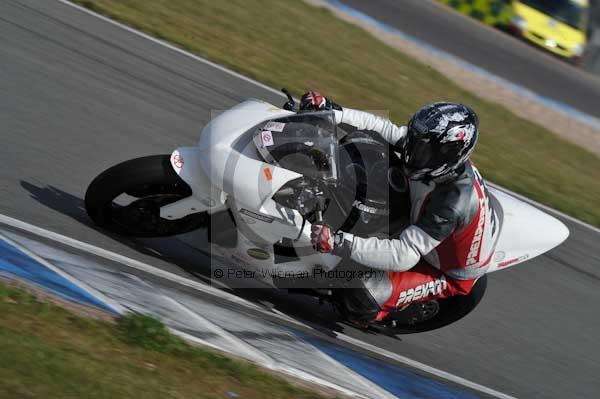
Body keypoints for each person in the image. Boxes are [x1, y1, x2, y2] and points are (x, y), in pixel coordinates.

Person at [300, 91, 499, 322]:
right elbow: (384, 129)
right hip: (420, 221)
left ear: (449, 154)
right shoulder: (432, 153)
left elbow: (406, 255)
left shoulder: (451, 203)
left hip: (441, 266)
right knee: (369, 153)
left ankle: (393, 307)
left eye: (422, 149)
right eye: (416, 142)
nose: (413, 152)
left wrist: (339, 242)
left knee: (360, 294)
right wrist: (331, 111)